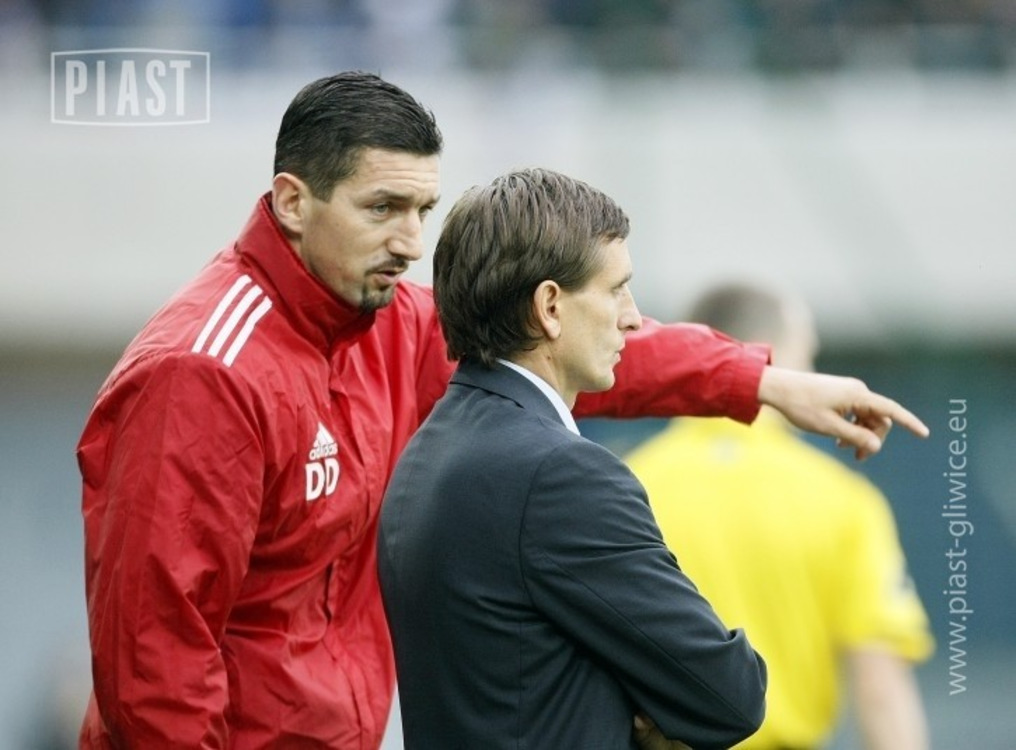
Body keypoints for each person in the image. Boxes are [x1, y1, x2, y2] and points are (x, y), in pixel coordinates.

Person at [77, 71, 927, 749]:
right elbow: (156, 666)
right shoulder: (202, 375)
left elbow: (563, 349)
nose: (411, 242)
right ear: (294, 201)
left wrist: (762, 382)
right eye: (382, 208)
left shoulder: (381, 320)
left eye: (422, 210)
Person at [378, 167, 771, 750]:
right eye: (616, 289)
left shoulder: (425, 455)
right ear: (550, 307)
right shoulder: (561, 476)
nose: (632, 316)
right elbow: (730, 694)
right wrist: (650, 698)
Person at [625, 282, 934, 750]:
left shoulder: (626, 485)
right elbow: (881, 688)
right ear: (777, 359)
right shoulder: (842, 499)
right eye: (807, 357)